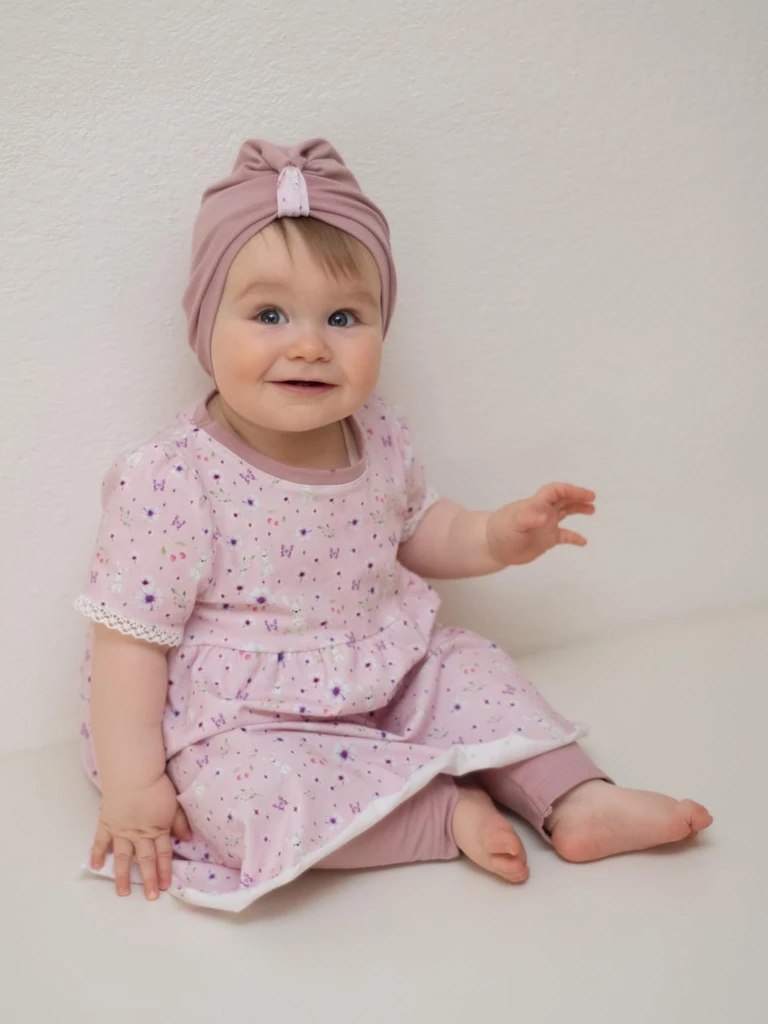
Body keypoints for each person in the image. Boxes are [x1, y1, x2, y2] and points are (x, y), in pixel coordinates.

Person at [75, 138, 712, 912]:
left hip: (389, 668)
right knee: (238, 797)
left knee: (471, 669)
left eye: (343, 317)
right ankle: (441, 815)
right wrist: (135, 787)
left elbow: (417, 528)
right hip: (248, 716)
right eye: (269, 314)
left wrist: (495, 536)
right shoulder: (172, 479)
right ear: (205, 324)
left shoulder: (376, 433)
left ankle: (574, 797)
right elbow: (129, 646)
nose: (309, 344)